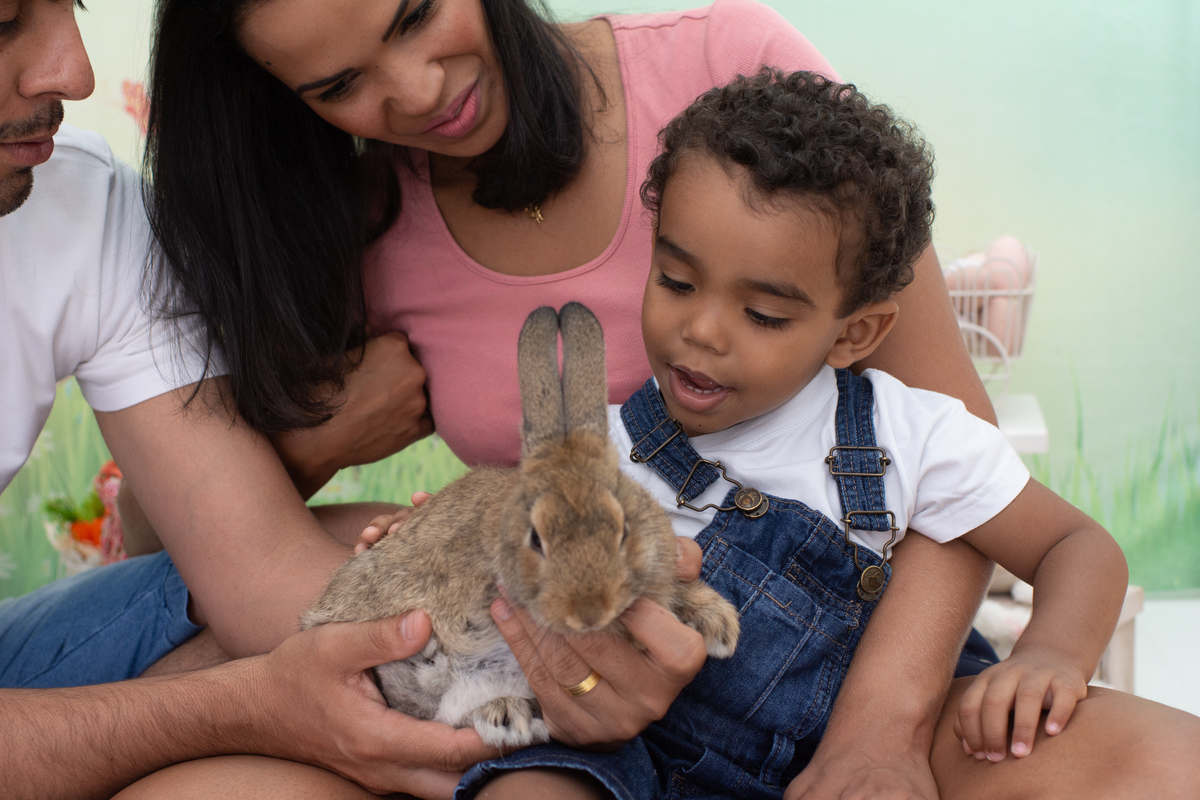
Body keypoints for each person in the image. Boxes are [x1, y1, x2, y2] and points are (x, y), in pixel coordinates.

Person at [134, 0, 1028, 795]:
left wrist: (878, 731)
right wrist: (317, 444)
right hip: (581, 684)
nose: (416, 90)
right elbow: (154, 542)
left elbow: (962, 476)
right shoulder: (348, 221)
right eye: (337, 84)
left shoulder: (729, 59)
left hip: (859, 660)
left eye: (414, 16)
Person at [358, 71, 1200, 799]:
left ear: (853, 334)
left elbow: (1078, 546)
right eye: (677, 281)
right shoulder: (601, 445)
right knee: (529, 781)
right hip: (625, 757)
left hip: (864, 740)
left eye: (762, 313)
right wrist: (431, 540)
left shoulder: (908, 435)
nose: (703, 332)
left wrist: (1049, 655)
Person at [1, 2, 708, 797]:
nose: (75, 73)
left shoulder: (79, 202)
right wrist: (242, 708)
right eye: (1, 24)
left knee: (354, 574)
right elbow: (164, 552)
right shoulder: (364, 225)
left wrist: (510, 663)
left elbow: (248, 571)